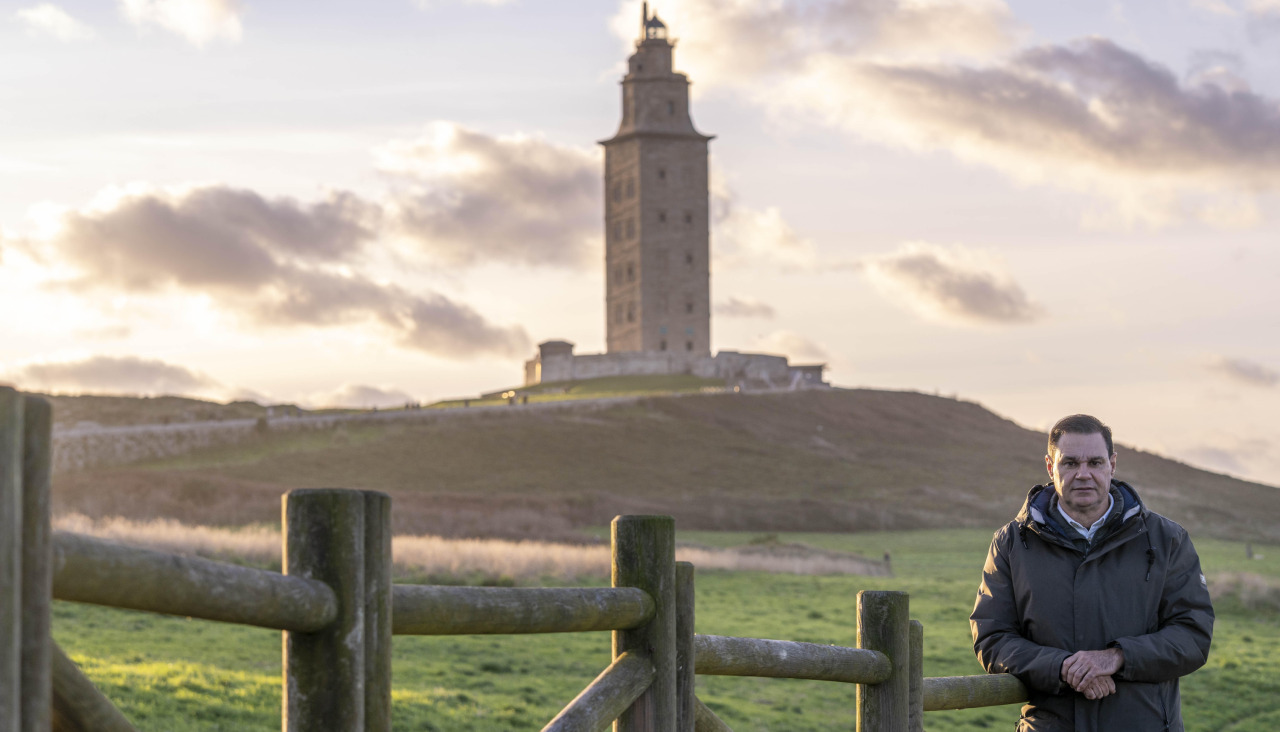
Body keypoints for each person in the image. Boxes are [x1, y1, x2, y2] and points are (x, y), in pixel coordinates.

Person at [970, 414, 1214, 731]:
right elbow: (992, 637)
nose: (1083, 474)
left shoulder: (1166, 539)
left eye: (1095, 463)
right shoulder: (1012, 543)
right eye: (1070, 463)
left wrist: (1116, 658)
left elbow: (1193, 635)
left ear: (1112, 464)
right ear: (1050, 466)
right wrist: (1063, 668)